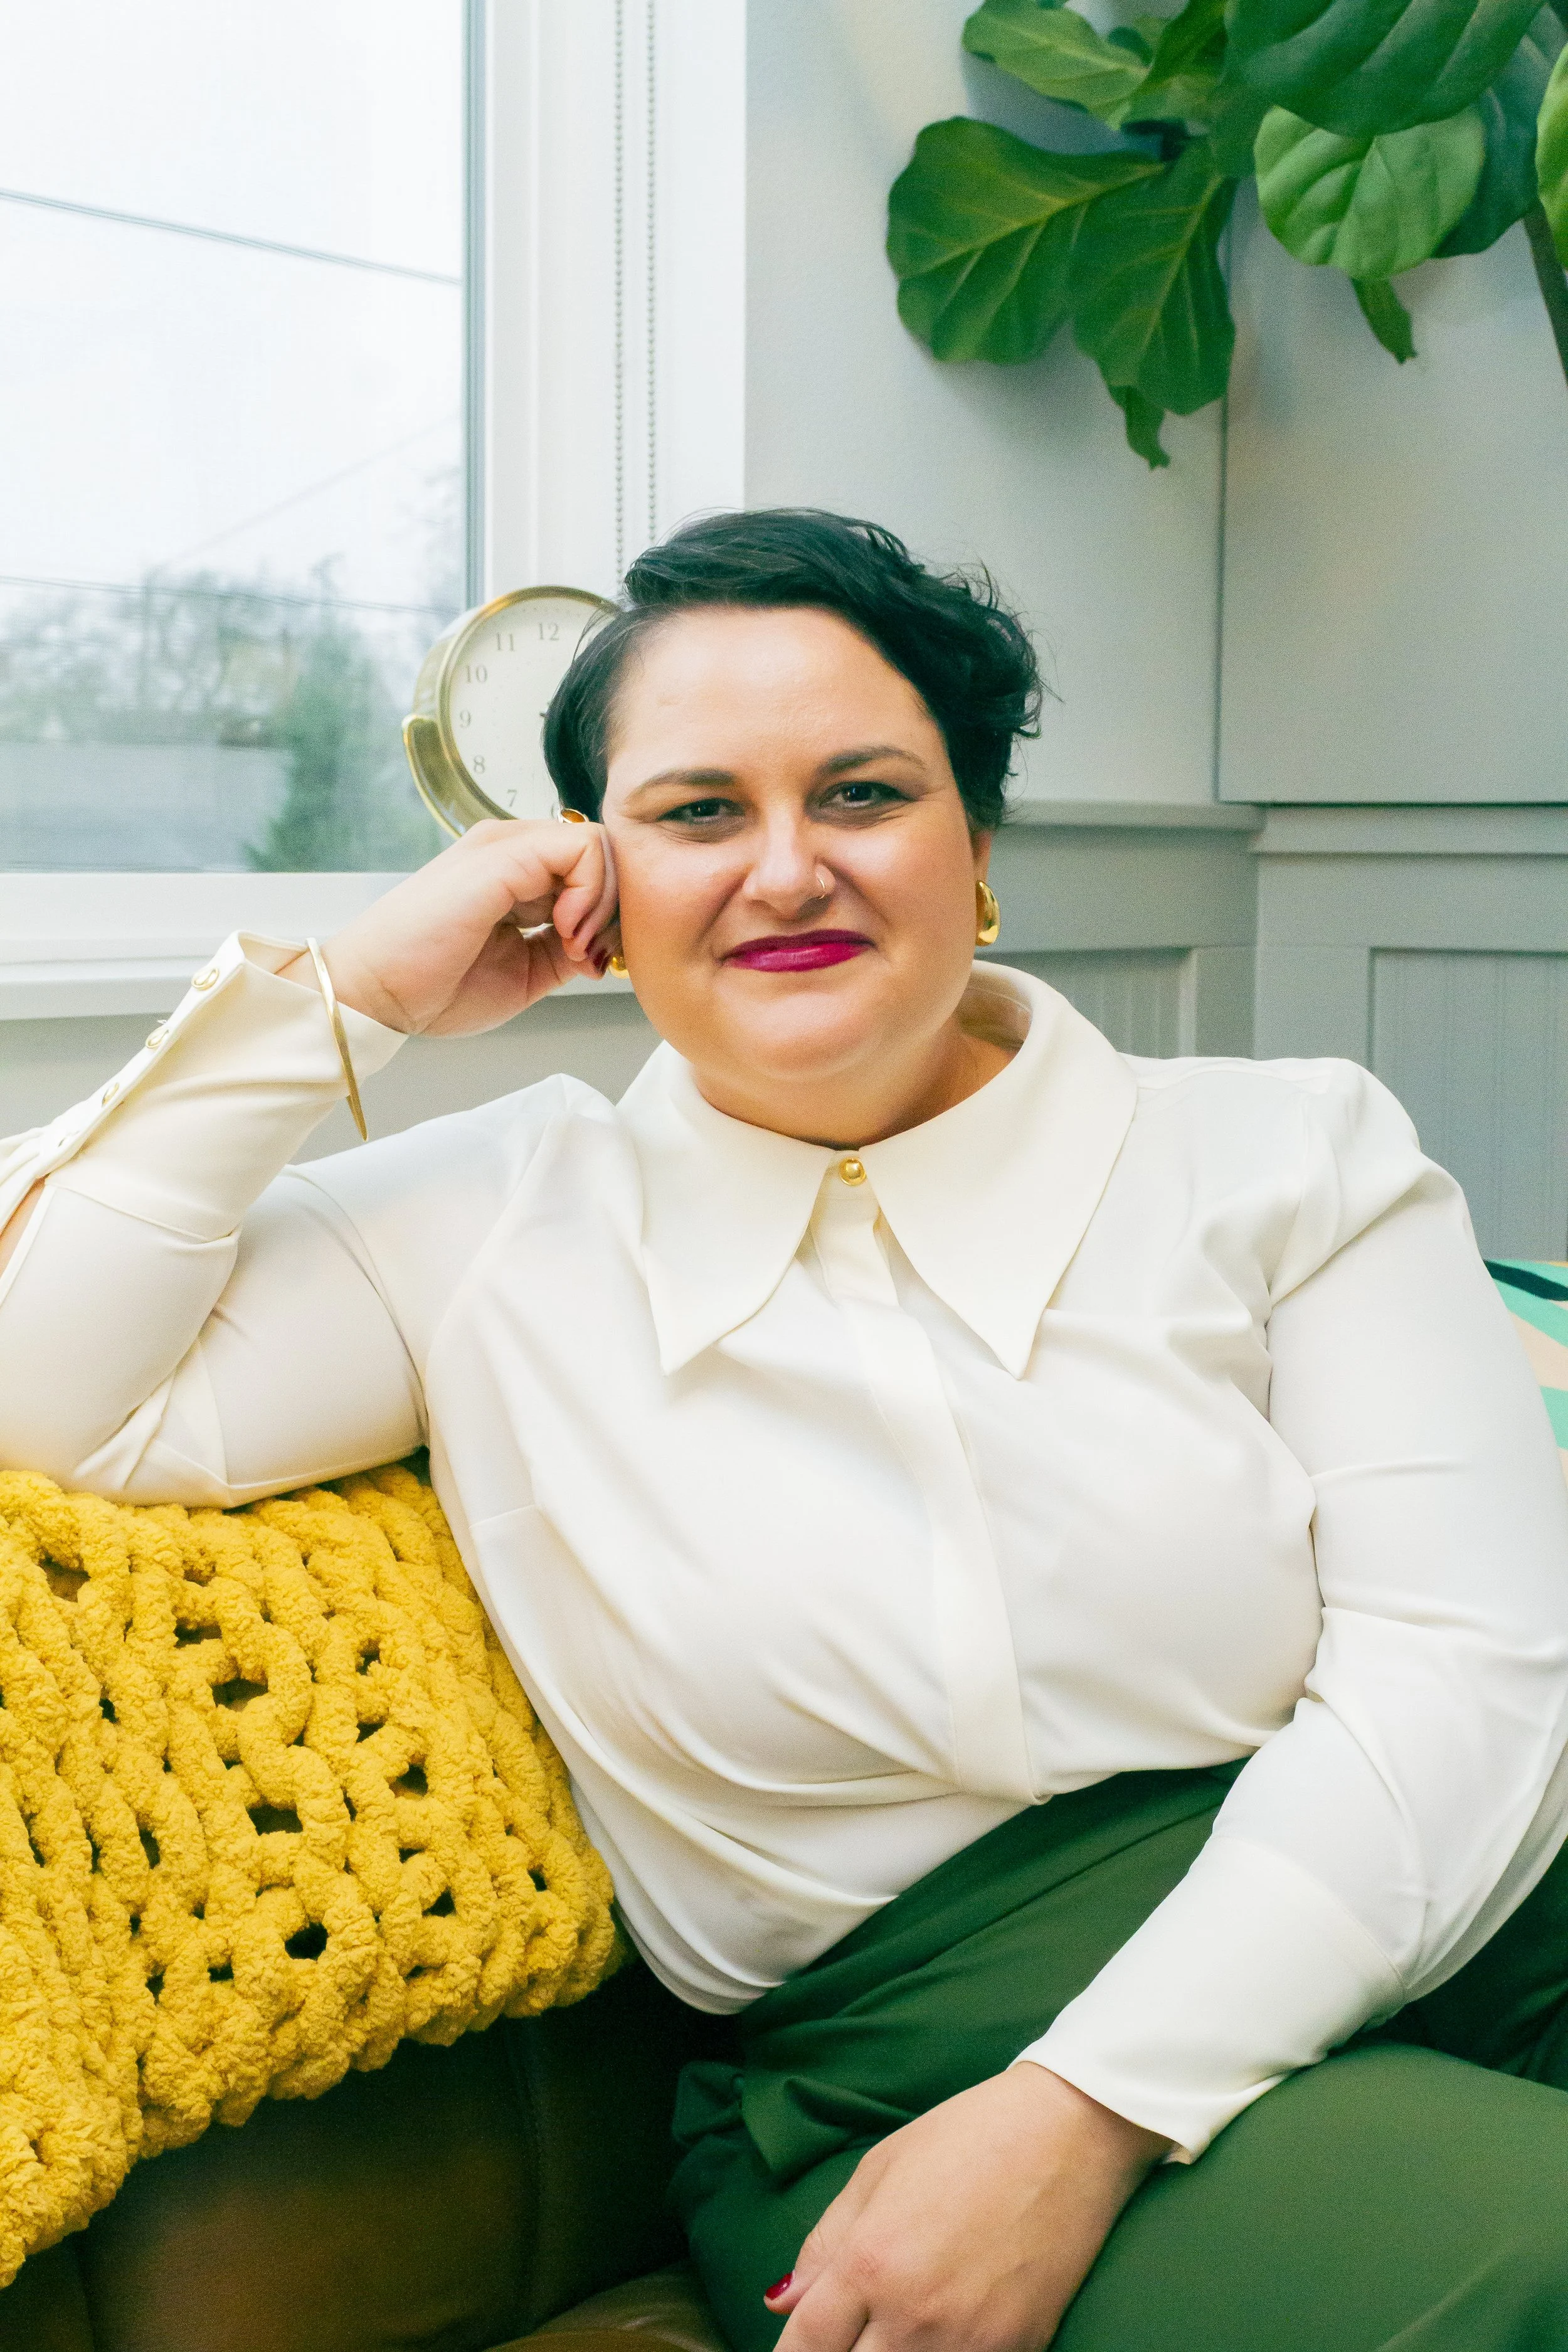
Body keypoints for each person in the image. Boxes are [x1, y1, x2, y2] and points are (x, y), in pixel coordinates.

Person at [4, 508, 1568, 2352]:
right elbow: (42, 1374)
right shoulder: (492, 1223)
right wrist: (356, 992)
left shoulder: (1291, 1148)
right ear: (592, 877)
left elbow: (1465, 1675)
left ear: (975, 848)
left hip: (1468, 1898)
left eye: (862, 793)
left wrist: (1093, 2102)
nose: (784, 867)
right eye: (693, 813)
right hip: (906, 2080)